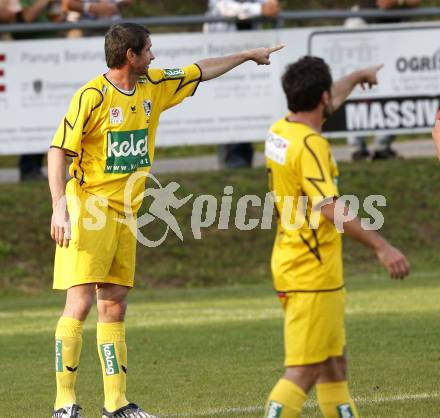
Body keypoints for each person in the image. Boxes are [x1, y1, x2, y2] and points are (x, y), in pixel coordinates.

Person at [48, 22, 283, 418]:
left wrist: (244, 56)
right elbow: (58, 151)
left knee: (115, 304)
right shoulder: (91, 97)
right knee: (81, 301)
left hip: (126, 211)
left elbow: (198, 70)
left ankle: (116, 404)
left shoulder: (152, 84)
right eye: (149, 50)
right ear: (130, 56)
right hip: (87, 207)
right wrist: (59, 205)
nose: (154, 57)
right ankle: (64, 403)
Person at [263, 56, 410, 418]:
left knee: (333, 365)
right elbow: (329, 206)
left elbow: (329, 99)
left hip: (292, 259)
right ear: (323, 97)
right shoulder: (311, 145)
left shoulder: (281, 130)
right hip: (312, 270)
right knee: (304, 370)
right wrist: (382, 246)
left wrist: (357, 77)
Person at [204, 0, 280, 168]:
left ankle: (245, 159)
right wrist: (261, 9)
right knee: (229, 109)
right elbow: (226, 8)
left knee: (248, 106)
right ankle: (231, 162)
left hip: (250, 59)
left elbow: (268, 5)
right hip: (223, 61)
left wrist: (270, 6)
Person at [346, 0, 421, 161]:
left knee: (393, 82)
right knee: (360, 84)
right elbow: (384, 3)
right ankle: (357, 147)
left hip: (389, 27)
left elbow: (416, 2)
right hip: (364, 24)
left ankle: (382, 147)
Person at [0, 0, 54, 180]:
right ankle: (29, 167)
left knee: (39, 112)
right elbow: (19, 16)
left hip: (46, 57)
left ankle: (33, 166)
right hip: (22, 58)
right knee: (26, 112)